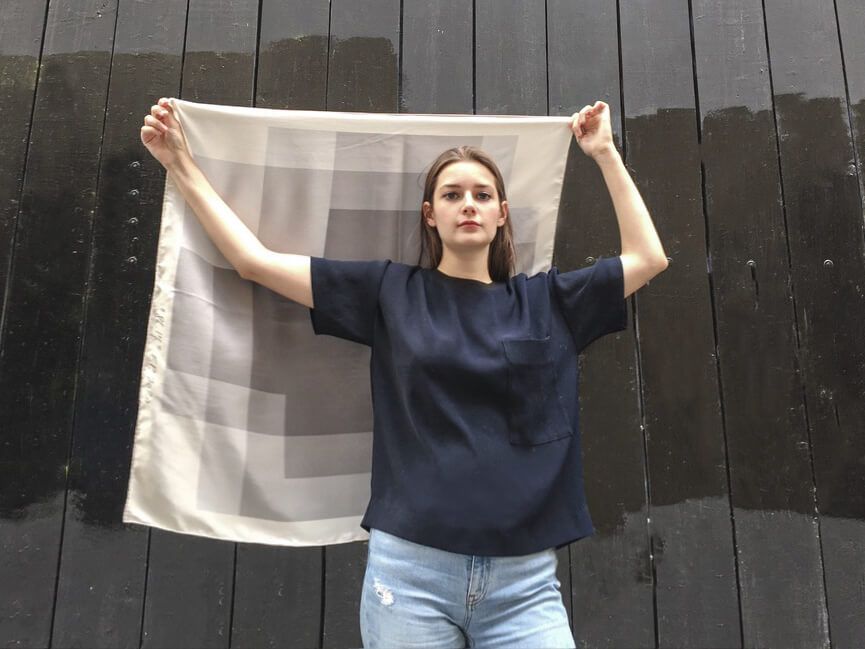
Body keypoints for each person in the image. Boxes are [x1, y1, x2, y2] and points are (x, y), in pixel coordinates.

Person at [141, 97, 668, 648]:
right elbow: (254, 261)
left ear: (502, 214)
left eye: (483, 195)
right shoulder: (390, 293)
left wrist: (604, 153)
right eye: (452, 194)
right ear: (430, 214)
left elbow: (648, 257)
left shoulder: (549, 303)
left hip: (524, 585)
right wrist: (180, 163)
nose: (469, 204)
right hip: (410, 575)